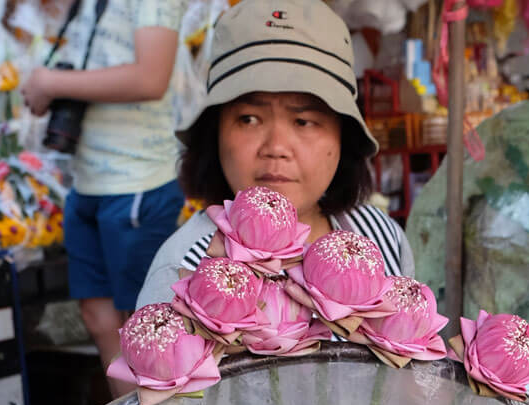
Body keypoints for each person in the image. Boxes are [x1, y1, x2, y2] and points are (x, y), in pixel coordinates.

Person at [136, 0, 414, 309]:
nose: (276, 148)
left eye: (303, 121)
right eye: (249, 119)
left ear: (343, 138)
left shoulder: (379, 239)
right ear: (214, 133)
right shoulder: (182, 269)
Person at [21, 0, 184, 395]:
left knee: (146, 328)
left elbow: (151, 77)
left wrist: (52, 83)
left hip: (137, 181)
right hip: (87, 180)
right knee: (98, 318)